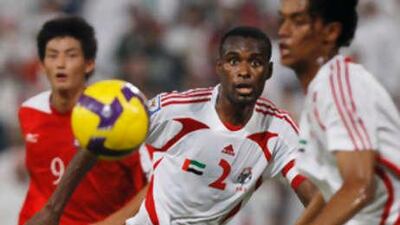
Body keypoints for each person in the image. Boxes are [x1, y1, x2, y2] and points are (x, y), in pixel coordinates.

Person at [26, 26, 321, 225]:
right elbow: (100, 137)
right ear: (219, 67)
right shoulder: (178, 110)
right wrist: (53, 209)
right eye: (233, 61)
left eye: (255, 63)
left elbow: (314, 197)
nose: (243, 71)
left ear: (268, 71)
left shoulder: (279, 131)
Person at [278, 0, 400, 224]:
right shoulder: (318, 94)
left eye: (298, 22)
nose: (283, 31)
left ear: (331, 32)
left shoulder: (339, 84)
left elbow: (360, 186)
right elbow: (331, 190)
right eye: (282, 20)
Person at [19, 16, 147, 225]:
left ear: (89, 64)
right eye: (52, 56)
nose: (60, 64)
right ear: (42, 65)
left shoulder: (121, 116)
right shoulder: (29, 111)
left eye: (70, 55)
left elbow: (156, 185)